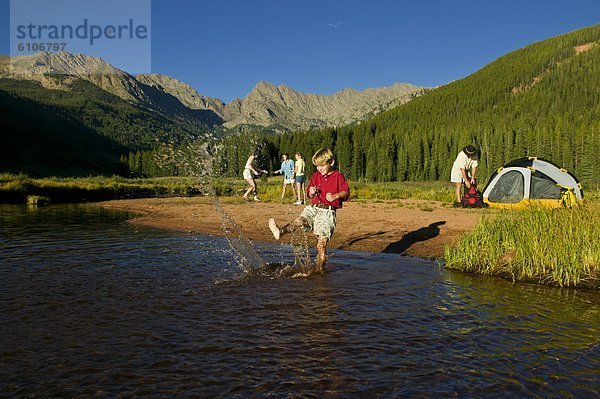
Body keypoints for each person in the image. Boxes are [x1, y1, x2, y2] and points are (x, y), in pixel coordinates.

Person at [269, 148, 350, 273]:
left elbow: (346, 192)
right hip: (313, 209)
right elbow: (309, 195)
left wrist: (336, 196)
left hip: (327, 213)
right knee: (299, 221)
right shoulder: (316, 176)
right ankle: (281, 231)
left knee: (321, 246)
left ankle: (320, 273)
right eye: (317, 166)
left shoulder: (338, 176)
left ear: (331, 163)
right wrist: (311, 192)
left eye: (322, 165)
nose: (319, 168)